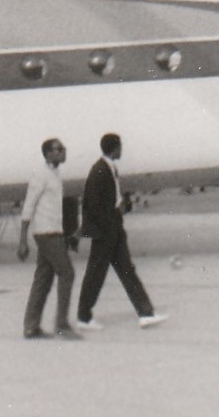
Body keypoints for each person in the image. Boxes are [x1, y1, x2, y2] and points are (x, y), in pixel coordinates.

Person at [76, 133, 167, 330]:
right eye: (120, 147)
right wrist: (105, 227)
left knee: (127, 271)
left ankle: (146, 313)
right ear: (115, 148)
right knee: (96, 273)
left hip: (114, 228)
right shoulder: (99, 170)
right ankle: (83, 317)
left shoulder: (109, 168)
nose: (122, 150)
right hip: (106, 231)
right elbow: (91, 203)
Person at [17, 138, 82, 340]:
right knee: (67, 273)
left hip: (54, 231)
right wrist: (22, 240)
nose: (64, 152)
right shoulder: (41, 175)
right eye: (59, 149)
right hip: (45, 233)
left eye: (64, 148)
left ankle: (31, 326)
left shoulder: (55, 175)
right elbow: (28, 206)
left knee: (43, 279)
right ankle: (61, 325)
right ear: (48, 153)